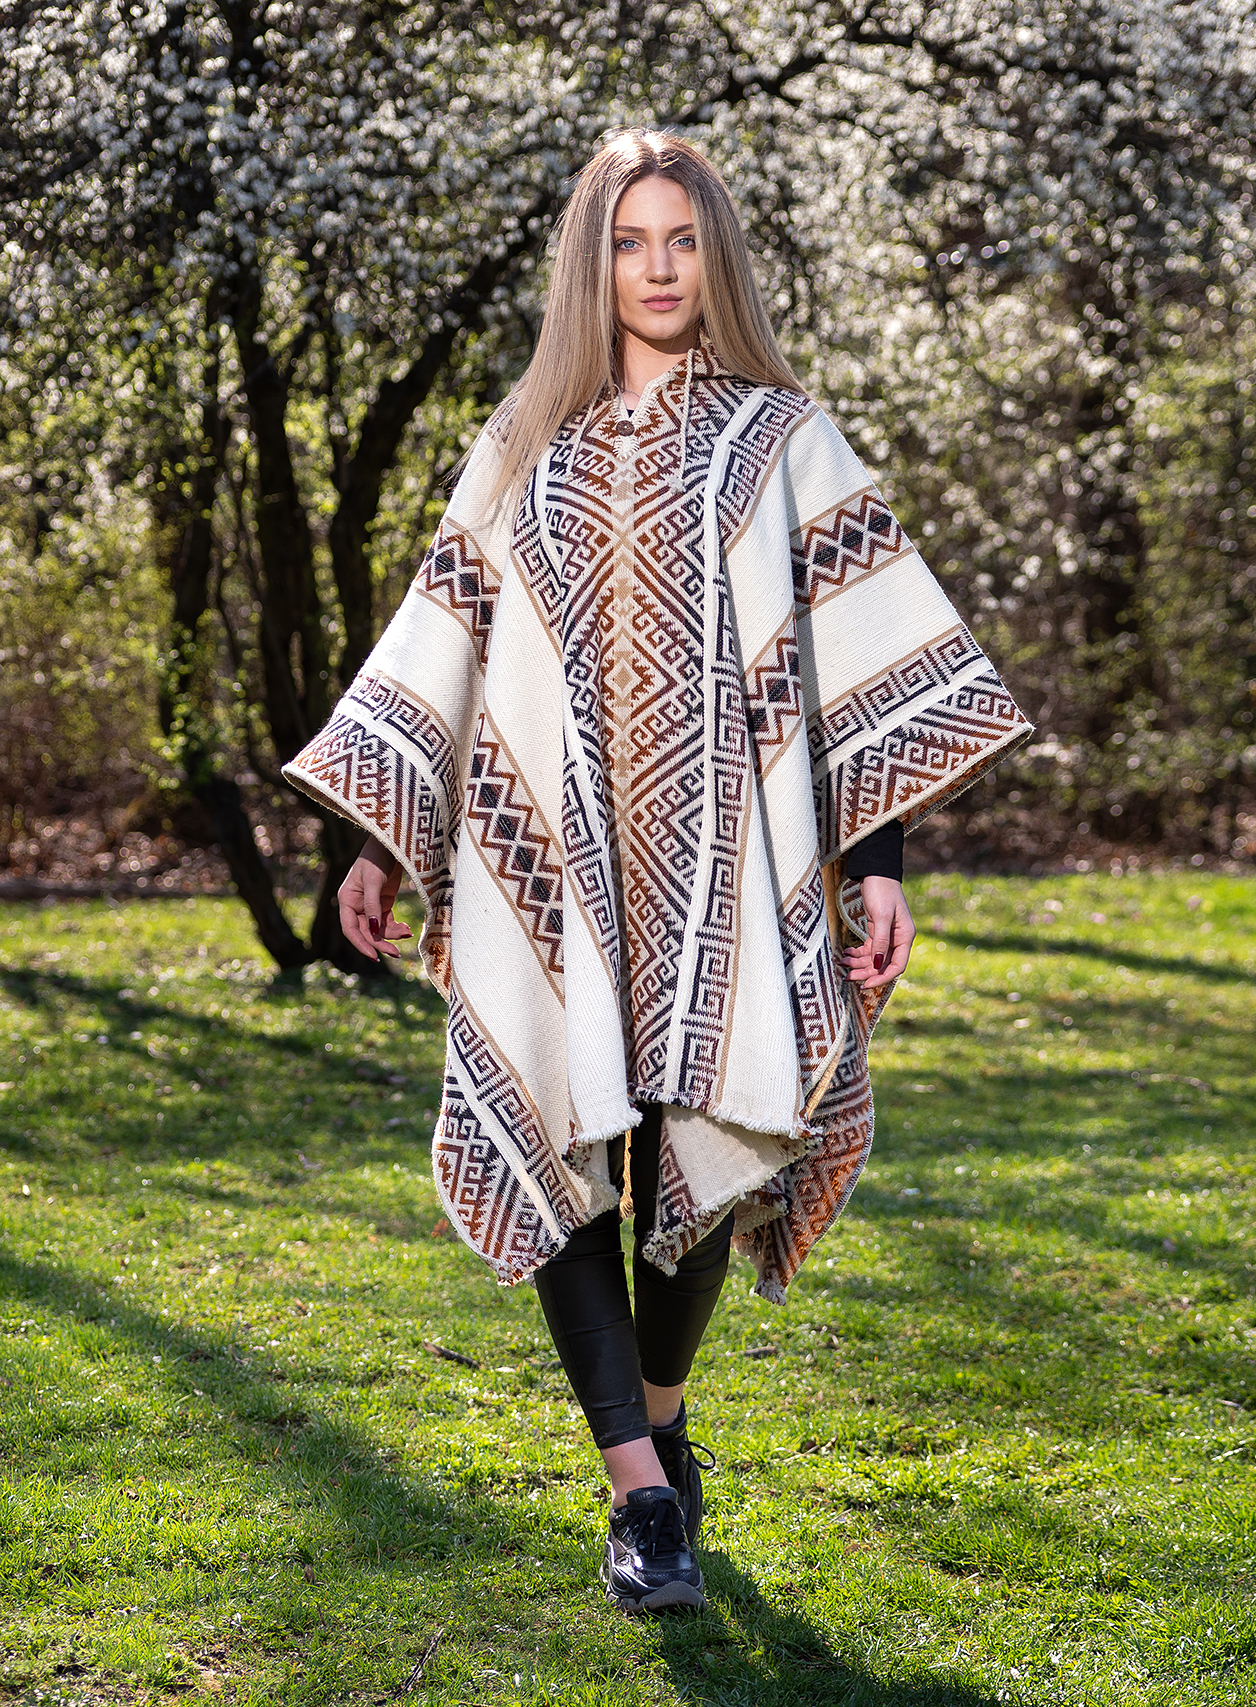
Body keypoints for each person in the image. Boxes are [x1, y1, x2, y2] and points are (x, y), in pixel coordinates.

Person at [284, 131, 1031, 1615]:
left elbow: (854, 663)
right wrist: (381, 838)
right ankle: (641, 1495)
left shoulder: (781, 437)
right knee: (558, 1133)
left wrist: (878, 867)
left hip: (732, 866)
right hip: (548, 866)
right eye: (631, 242)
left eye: (683, 239)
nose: (660, 268)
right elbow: (446, 650)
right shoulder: (524, 444)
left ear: (716, 256)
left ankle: (664, 1419)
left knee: (711, 1131)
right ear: (595, 262)